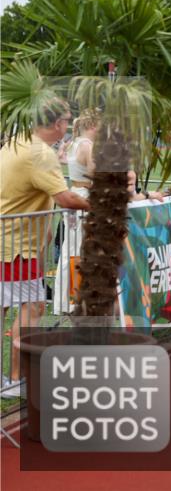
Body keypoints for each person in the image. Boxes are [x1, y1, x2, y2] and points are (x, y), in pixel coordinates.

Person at [1, 99, 89, 393]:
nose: (66, 127)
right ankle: (15, 380)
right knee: (33, 308)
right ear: (57, 124)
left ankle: (9, 379)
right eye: (65, 120)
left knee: (9, 308)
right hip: (17, 247)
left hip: (10, 241)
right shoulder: (40, 153)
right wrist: (106, 203)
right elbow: (66, 198)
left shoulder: (18, 142)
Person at [54, 108, 101, 314]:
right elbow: (94, 171)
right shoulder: (87, 145)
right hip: (84, 197)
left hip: (76, 191)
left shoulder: (74, 143)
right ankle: (70, 300)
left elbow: (66, 161)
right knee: (77, 250)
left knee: (71, 250)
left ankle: (66, 299)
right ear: (93, 126)